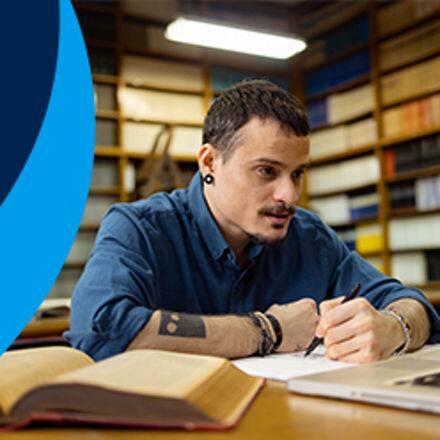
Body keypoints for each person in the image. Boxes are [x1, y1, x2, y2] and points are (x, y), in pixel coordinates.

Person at [66, 80, 440, 363]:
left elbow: (411, 302)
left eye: (297, 174)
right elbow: (100, 329)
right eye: (266, 171)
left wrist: (395, 328)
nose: (289, 196)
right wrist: (268, 331)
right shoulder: (139, 228)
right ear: (210, 163)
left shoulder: (310, 237)